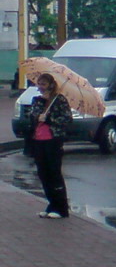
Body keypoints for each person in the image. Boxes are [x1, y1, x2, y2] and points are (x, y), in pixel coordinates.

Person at [26, 73, 72, 219]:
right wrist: (38, 116)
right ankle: (51, 204)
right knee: (43, 174)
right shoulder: (37, 100)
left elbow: (67, 119)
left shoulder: (59, 100)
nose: (40, 87)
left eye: (43, 84)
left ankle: (61, 208)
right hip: (39, 140)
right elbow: (32, 116)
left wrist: (49, 119)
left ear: (51, 85)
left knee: (54, 173)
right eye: (39, 84)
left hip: (53, 140)